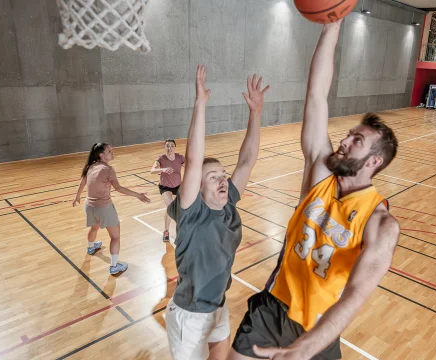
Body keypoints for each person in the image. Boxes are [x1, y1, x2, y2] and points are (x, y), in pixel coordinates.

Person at [230, 20, 400, 360]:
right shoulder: (320, 173)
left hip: (318, 331)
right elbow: (317, 95)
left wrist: (305, 348)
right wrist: (332, 26)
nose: (343, 140)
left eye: (356, 141)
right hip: (271, 307)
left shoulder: (380, 224)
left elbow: (356, 294)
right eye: (349, 133)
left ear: (373, 161)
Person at [164, 65, 269, 360]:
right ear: (197, 186)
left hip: (218, 307)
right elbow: (194, 159)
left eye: (223, 174)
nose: (223, 179)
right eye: (214, 177)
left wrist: (256, 113)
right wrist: (201, 103)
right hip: (189, 315)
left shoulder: (229, 204)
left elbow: (247, 160)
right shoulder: (191, 212)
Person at [72, 143, 151, 275]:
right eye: (109, 151)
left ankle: (91, 248)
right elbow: (119, 188)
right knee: (115, 237)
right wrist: (138, 195)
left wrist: (77, 196)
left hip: (89, 206)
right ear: (101, 155)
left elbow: (83, 181)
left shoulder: (90, 166)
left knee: (94, 227)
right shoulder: (108, 169)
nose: (112, 153)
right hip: (104, 208)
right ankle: (114, 267)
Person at [151, 139, 185, 242]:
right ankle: (166, 231)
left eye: (171, 146)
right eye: (167, 146)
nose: (169, 148)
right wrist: (163, 169)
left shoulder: (180, 158)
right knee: (170, 206)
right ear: (165, 147)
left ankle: (183, 230)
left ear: (175, 147)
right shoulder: (161, 159)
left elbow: (189, 167)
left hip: (178, 186)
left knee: (183, 207)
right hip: (165, 187)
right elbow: (152, 170)